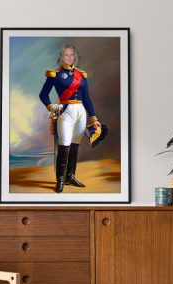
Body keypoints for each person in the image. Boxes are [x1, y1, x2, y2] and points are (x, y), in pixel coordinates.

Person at [39, 44, 101, 193]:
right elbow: (43, 94)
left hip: (81, 112)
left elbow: (86, 98)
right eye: (66, 55)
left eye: (71, 55)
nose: (69, 57)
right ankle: (60, 180)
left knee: (75, 146)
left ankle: (70, 176)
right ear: (61, 57)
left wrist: (93, 118)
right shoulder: (55, 75)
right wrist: (50, 106)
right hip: (65, 112)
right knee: (64, 145)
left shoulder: (82, 75)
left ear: (75, 56)